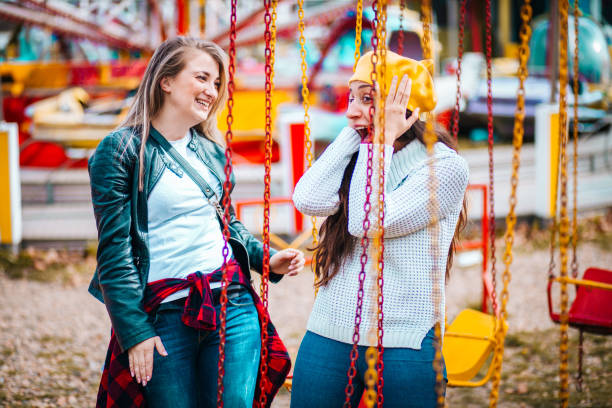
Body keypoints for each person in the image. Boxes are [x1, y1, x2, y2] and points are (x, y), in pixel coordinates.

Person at [88, 36, 305, 408]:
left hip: (232, 304)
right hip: (163, 311)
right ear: (166, 80)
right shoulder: (121, 149)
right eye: (202, 78)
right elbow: (115, 254)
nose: (212, 90)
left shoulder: (210, 151)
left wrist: (264, 258)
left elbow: (226, 225)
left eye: (217, 83)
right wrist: (134, 331)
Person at [290, 50, 468, 407]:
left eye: (367, 98)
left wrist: (380, 142)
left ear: (408, 109)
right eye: (351, 97)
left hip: (404, 337)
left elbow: (367, 221)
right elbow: (307, 198)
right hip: (330, 329)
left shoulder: (445, 169)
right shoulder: (362, 152)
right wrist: (355, 136)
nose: (351, 109)